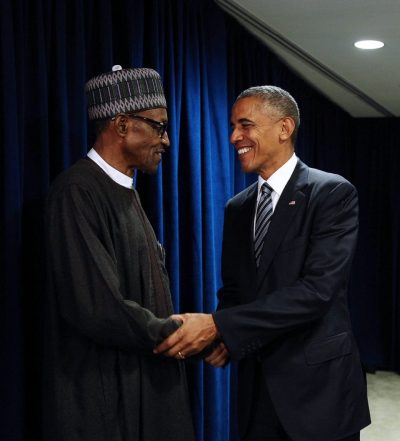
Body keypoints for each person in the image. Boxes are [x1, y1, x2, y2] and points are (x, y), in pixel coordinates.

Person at [155, 86, 371, 440]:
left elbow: (317, 292)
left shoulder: (332, 193)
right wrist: (223, 338)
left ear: (284, 128)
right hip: (257, 393)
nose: (234, 137)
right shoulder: (237, 208)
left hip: (320, 393)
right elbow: (235, 290)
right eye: (233, 126)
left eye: (245, 125)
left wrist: (219, 325)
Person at [43, 66, 195, 441]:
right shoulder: (78, 192)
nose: (166, 141)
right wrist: (177, 332)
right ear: (123, 125)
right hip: (108, 403)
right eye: (158, 127)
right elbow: (96, 306)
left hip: (144, 390)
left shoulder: (124, 190)